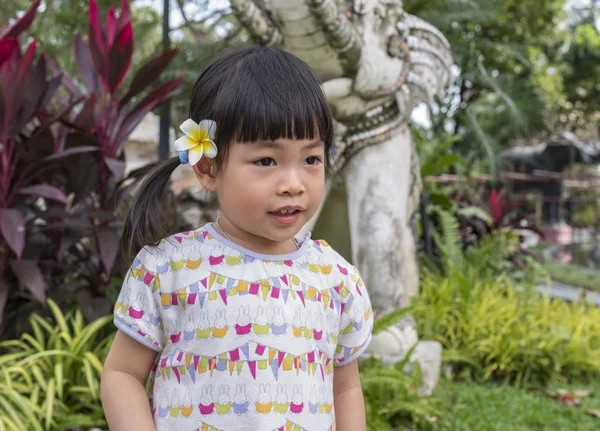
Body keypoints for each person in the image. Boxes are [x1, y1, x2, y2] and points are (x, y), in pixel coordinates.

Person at [101, 47, 373, 431]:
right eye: (266, 161)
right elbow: (123, 374)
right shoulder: (170, 269)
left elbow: (344, 388)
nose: (293, 184)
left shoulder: (335, 279)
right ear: (208, 167)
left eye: (311, 159)